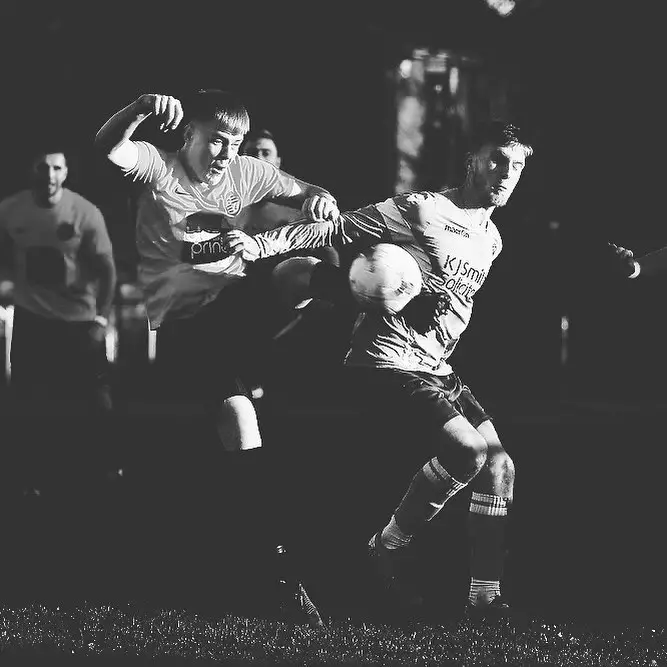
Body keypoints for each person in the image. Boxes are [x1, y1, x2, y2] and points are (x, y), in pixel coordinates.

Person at [200, 120, 534, 620]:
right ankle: (385, 547)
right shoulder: (422, 209)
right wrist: (262, 246)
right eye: (495, 159)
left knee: (501, 467)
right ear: (471, 159)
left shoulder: (493, 237)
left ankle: (484, 601)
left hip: (436, 365)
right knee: (467, 451)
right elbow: (335, 227)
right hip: (389, 360)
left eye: (516, 165)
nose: (505, 173)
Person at [93, 90, 340, 608]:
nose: (226, 152)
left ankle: (363, 312)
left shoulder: (248, 172)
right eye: (216, 140)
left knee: (305, 268)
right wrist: (139, 109)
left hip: (236, 306)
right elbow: (107, 148)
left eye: (235, 143)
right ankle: (270, 565)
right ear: (189, 136)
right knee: (239, 421)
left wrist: (320, 197)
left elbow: (310, 191)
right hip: (187, 325)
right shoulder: (160, 168)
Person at [0, 144, 117, 493]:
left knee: (94, 397)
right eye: (42, 167)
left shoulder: (84, 212)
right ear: (31, 170)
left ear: (65, 172)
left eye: (56, 168)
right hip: (32, 320)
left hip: (79, 321)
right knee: (28, 401)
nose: (49, 175)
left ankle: (107, 467)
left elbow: (107, 271)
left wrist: (101, 319)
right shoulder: (10, 211)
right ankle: (29, 476)